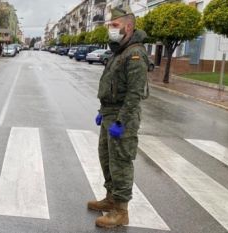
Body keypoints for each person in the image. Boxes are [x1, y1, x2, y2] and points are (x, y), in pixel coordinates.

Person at [88, 5, 150, 228]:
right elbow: (113, 86)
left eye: (115, 25)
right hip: (109, 114)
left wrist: (120, 121)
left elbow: (134, 94)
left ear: (129, 26)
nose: (111, 30)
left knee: (121, 162)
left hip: (122, 118)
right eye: (110, 26)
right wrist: (101, 112)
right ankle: (111, 197)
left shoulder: (135, 54)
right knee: (106, 158)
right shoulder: (119, 52)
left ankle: (121, 211)